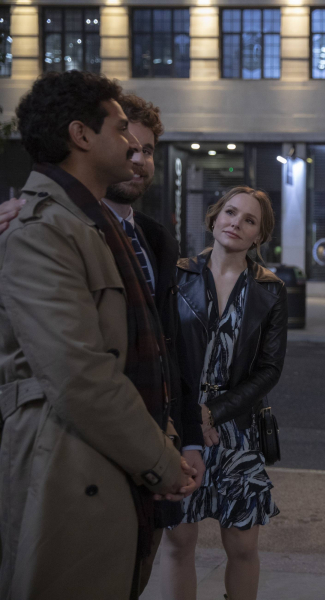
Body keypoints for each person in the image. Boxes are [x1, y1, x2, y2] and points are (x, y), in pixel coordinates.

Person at [0, 93, 206, 593]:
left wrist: (180, 438)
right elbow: (79, 372)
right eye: (124, 136)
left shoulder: (150, 237)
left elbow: (164, 351)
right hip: (80, 457)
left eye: (148, 149)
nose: (137, 155)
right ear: (82, 136)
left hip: (139, 449)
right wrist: (159, 461)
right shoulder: (43, 225)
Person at [161, 186, 287, 600]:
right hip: (179, 423)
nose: (236, 223)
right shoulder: (177, 275)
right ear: (214, 218)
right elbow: (161, 351)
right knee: (179, 541)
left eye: (249, 220)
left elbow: (269, 369)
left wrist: (213, 412)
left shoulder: (270, 289)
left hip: (236, 427)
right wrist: (188, 414)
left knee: (243, 545)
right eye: (230, 213)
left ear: (259, 236)